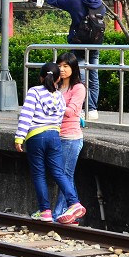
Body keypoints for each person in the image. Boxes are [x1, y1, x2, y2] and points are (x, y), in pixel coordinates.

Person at [14, 62, 86, 224]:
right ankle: (74, 202)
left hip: (36, 136)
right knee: (59, 172)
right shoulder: (59, 96)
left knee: (39, 174)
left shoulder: (34, 92)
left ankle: (45, 211)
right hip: (54, 136)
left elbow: (26, 116)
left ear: (41, 77)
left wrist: (19, 137)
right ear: (58, 79)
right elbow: (60, 116)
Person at [36, 0, 104, 121]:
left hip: (79, 45)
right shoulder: (101, 5)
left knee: (80, 77)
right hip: (95, 46)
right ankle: (92, 110)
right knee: (94, 76)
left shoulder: (76, 2)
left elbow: (57, 1)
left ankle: (81, 108)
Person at [53, 52, 86, 225]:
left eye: (66, 66)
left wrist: (53, 105)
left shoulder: (78, 88)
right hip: (55, 136)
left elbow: (72, 112)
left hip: (71, 137)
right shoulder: (56, 86)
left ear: (73, 68)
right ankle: (73, 210)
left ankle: (58, 213)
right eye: (60, 66)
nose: (62, 69)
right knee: (66, 176)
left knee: (64, 175)